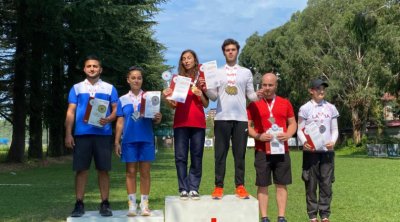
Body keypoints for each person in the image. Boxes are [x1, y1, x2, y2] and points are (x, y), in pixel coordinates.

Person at [201, 38, 262, 199]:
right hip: (221, 118)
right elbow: (214, 97)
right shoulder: (216, 72)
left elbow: (250, 95)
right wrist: (205, 88)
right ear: (223, 52)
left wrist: (258, 95)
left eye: (233, 49)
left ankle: (240, 186)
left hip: (241, 118)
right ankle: (218, 187)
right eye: (227, 49)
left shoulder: (246, 72)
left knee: (239, 154)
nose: (230, 52)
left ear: (237, 51)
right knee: (220, 154)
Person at [65, 55, 118, 217]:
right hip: (82, 134)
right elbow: (71, 112)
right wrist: (68, 133)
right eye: (89, 66)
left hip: (103, 134)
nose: (92, 68)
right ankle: (79, 204)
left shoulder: (110, 88)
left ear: (100, 69)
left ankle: (105, 203)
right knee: (81, 170)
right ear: (84, 69)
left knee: (103, 170)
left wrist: (109, 118)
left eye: (95, 66)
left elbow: (116, 109)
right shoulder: (77, 88)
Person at [247, 73, 297, 222]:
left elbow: (293, 123)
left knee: (281, 184)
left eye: (270, 85)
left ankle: (281, 217)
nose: (267, 88)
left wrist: (288, 134)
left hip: (282, 150)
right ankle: (264, 217)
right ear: (261, 85)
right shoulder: (253, 104)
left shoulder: (285, 103)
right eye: (264, 85)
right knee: (262, 184)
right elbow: (248, 126)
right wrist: (258, 136)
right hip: (262, 150)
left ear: (276, 86)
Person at [114, 66, 162, 216]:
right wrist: (117, 141)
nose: (136, 80)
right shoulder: (122, 99)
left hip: (146, 139)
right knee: (130, 172)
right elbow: (120, 122)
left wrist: (158, 118)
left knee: (145, 172)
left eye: (139, 78)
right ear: (128, 80)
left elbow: (155, 119)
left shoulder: (150, 97)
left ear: (142, 80)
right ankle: (132, 205)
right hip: (129, 141)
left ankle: (144, 204)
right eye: (133, 77)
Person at [163, 49, 209, 200]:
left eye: (189, 58)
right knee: (180, 157)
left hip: (198, 123)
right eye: (184, 59)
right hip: (181, 123)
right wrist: (166, 98)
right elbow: (173, 105)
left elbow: (206, 103)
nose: (186, 61)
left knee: (197, 156)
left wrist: (200, 94)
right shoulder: (177, 79)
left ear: (195, 60)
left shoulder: (201, 78)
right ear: (181, 62)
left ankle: (194, 188)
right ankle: (183, 188)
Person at [297, 79, 339, 222]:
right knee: (311, 183)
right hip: (311, 153)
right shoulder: (305, 108)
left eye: (323, 88)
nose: (321, 91)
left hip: (327, 153)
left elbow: (335, 130)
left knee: (326, 184)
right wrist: (304, 142)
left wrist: (332, 142)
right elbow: (299, 130)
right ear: (311, 91)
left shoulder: (331, 108)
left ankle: (325, 215)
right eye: (318, 88)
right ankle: (312, 215)